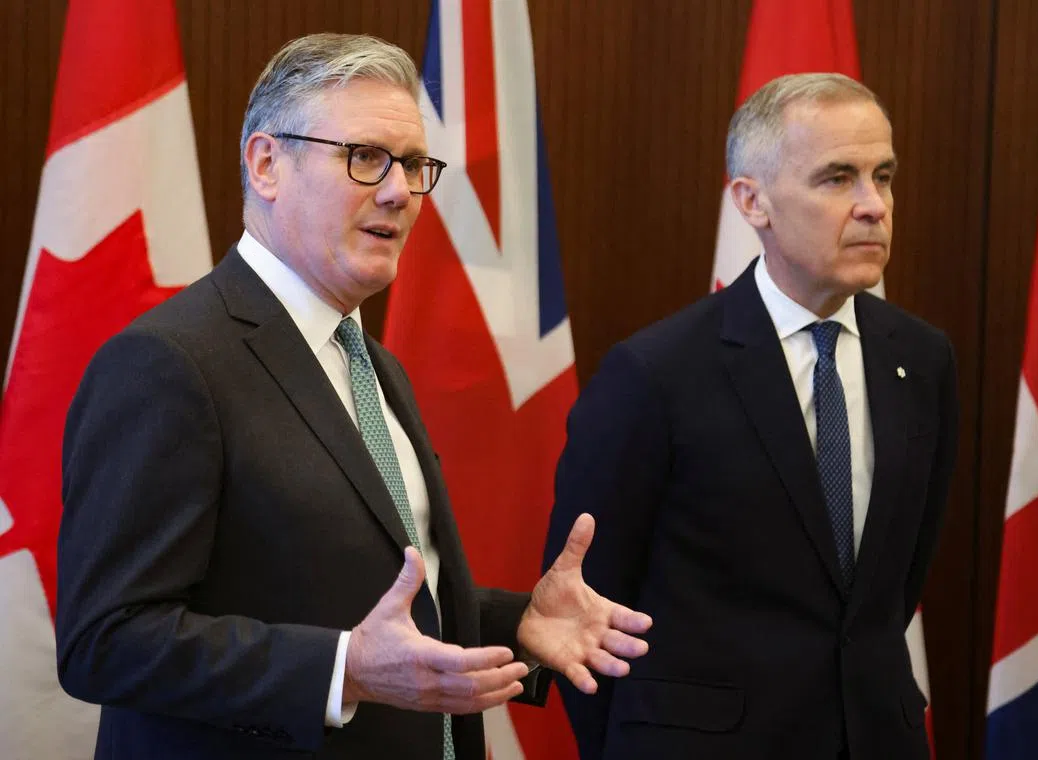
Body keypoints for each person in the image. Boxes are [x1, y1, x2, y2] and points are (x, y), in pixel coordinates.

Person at [55, 33, 651, 760]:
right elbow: (106, 640)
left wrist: (516, 623)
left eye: (414, 165)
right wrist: (341, 671)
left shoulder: (375, 365)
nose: (399, 192)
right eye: (365, 157)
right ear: (267, 165)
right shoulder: (168, 362)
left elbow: (358, 591)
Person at [542, 73, 958, 760]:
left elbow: (898, 583)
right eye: (837, 179)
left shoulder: (921, 359)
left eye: (882, 176)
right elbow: (585, 613)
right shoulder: (655, 373)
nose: (873, 206)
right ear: (751, 201)